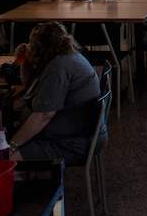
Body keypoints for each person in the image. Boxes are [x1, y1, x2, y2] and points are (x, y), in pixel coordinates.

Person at [10, 22, 106, 163]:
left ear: (41, 49)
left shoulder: (59, 67)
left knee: (7, 159)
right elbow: (33, 90)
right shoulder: (69, 56)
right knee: (8, 137)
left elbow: (44, 115)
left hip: (76, 143)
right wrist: (26, 64)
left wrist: (11, 146)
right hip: (81, 131)